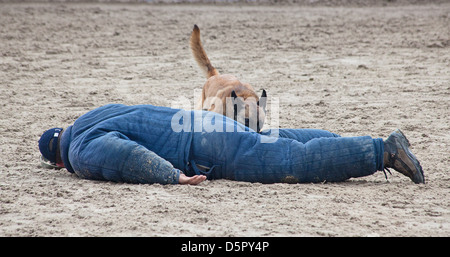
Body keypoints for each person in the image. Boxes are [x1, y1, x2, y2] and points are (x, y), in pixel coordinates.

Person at [38, 103, 424, 185]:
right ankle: (349, 144)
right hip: (204, 121)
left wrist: (173, 177)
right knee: (280, 139)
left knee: (293, 160)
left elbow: (123, 157)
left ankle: (381, 150)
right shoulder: (92, 115)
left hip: (205, 147)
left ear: (57, 162)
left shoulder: (80, 149)